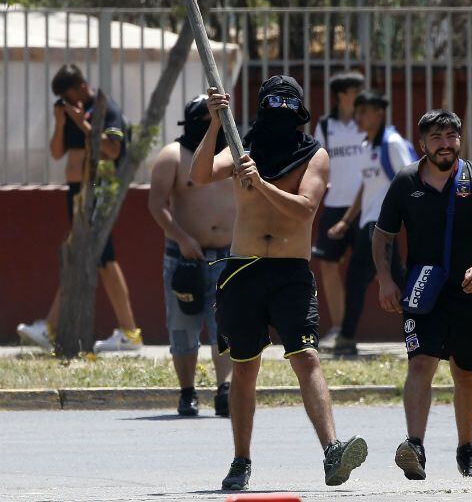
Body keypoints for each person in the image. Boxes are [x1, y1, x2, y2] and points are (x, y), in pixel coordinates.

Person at [190, 75, 367, 491]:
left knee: (306, 358)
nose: (279, 118)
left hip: (290, 272)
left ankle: (332, 450)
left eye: (288, 110)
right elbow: (198, 175)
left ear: (300, 114)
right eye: (272, 109)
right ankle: (240, 461)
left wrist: (261, 185)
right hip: (242, 270)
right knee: (244, 367)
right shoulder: (241, 148)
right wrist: (216, 123)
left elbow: (304, 210)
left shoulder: (314, 156)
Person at [372, 109, 472, 479]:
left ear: (459, 140)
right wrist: (385, 279)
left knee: (465, 371)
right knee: (420, 362)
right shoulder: (405, 182)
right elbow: (383, 234)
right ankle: (414, 446)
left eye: (451, 136)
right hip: (424, 289)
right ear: (422, 144)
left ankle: (466, 450)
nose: (445, 144)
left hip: (470, 289)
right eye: (436, 138)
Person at [16, 64, 143, 354]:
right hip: (77, 194)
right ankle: (125, 332)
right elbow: (58, 153)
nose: (67, 101)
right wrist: (62, 122)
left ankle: (54, 327)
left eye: (67, 95)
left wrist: (84, 123)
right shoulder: (72, 114)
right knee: (96, 259)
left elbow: (112, 150)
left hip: (96, 192)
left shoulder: (104, 108)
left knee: (99, 259)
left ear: (80, 88)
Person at [148, 95, 234, 417]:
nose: (211, 125)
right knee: (183, 327)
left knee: (225, 326)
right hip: (185, 257)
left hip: (227, 255)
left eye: (217, 118)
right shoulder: (173, 155)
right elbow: (157, 205)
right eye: (205, 119)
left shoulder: (234, 153)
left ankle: (225, 388)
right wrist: (182, 238)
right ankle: (187, 392)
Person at [324, 90, 412, 356]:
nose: (358, 117)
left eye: (364, 111)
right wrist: (346, 221)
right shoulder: (367, 147)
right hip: (368, 223)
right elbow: (366, 187)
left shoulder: (392, 142)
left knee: (361, 279)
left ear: (379, 113)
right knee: (396, 279)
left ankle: (348, 337)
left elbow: (409, 179)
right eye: (357, 111)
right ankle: (421, 328)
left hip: (383, 226)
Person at [312, 72, 366, 349]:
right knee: (328, 265)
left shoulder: (367, 122)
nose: (361, 94)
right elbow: (319, 163)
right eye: (356, 90)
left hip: (367, 206)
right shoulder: (325, 126)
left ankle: (415, 325)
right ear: (342, 94)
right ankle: (339, 328)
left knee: (382, 268)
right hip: (335, 204)